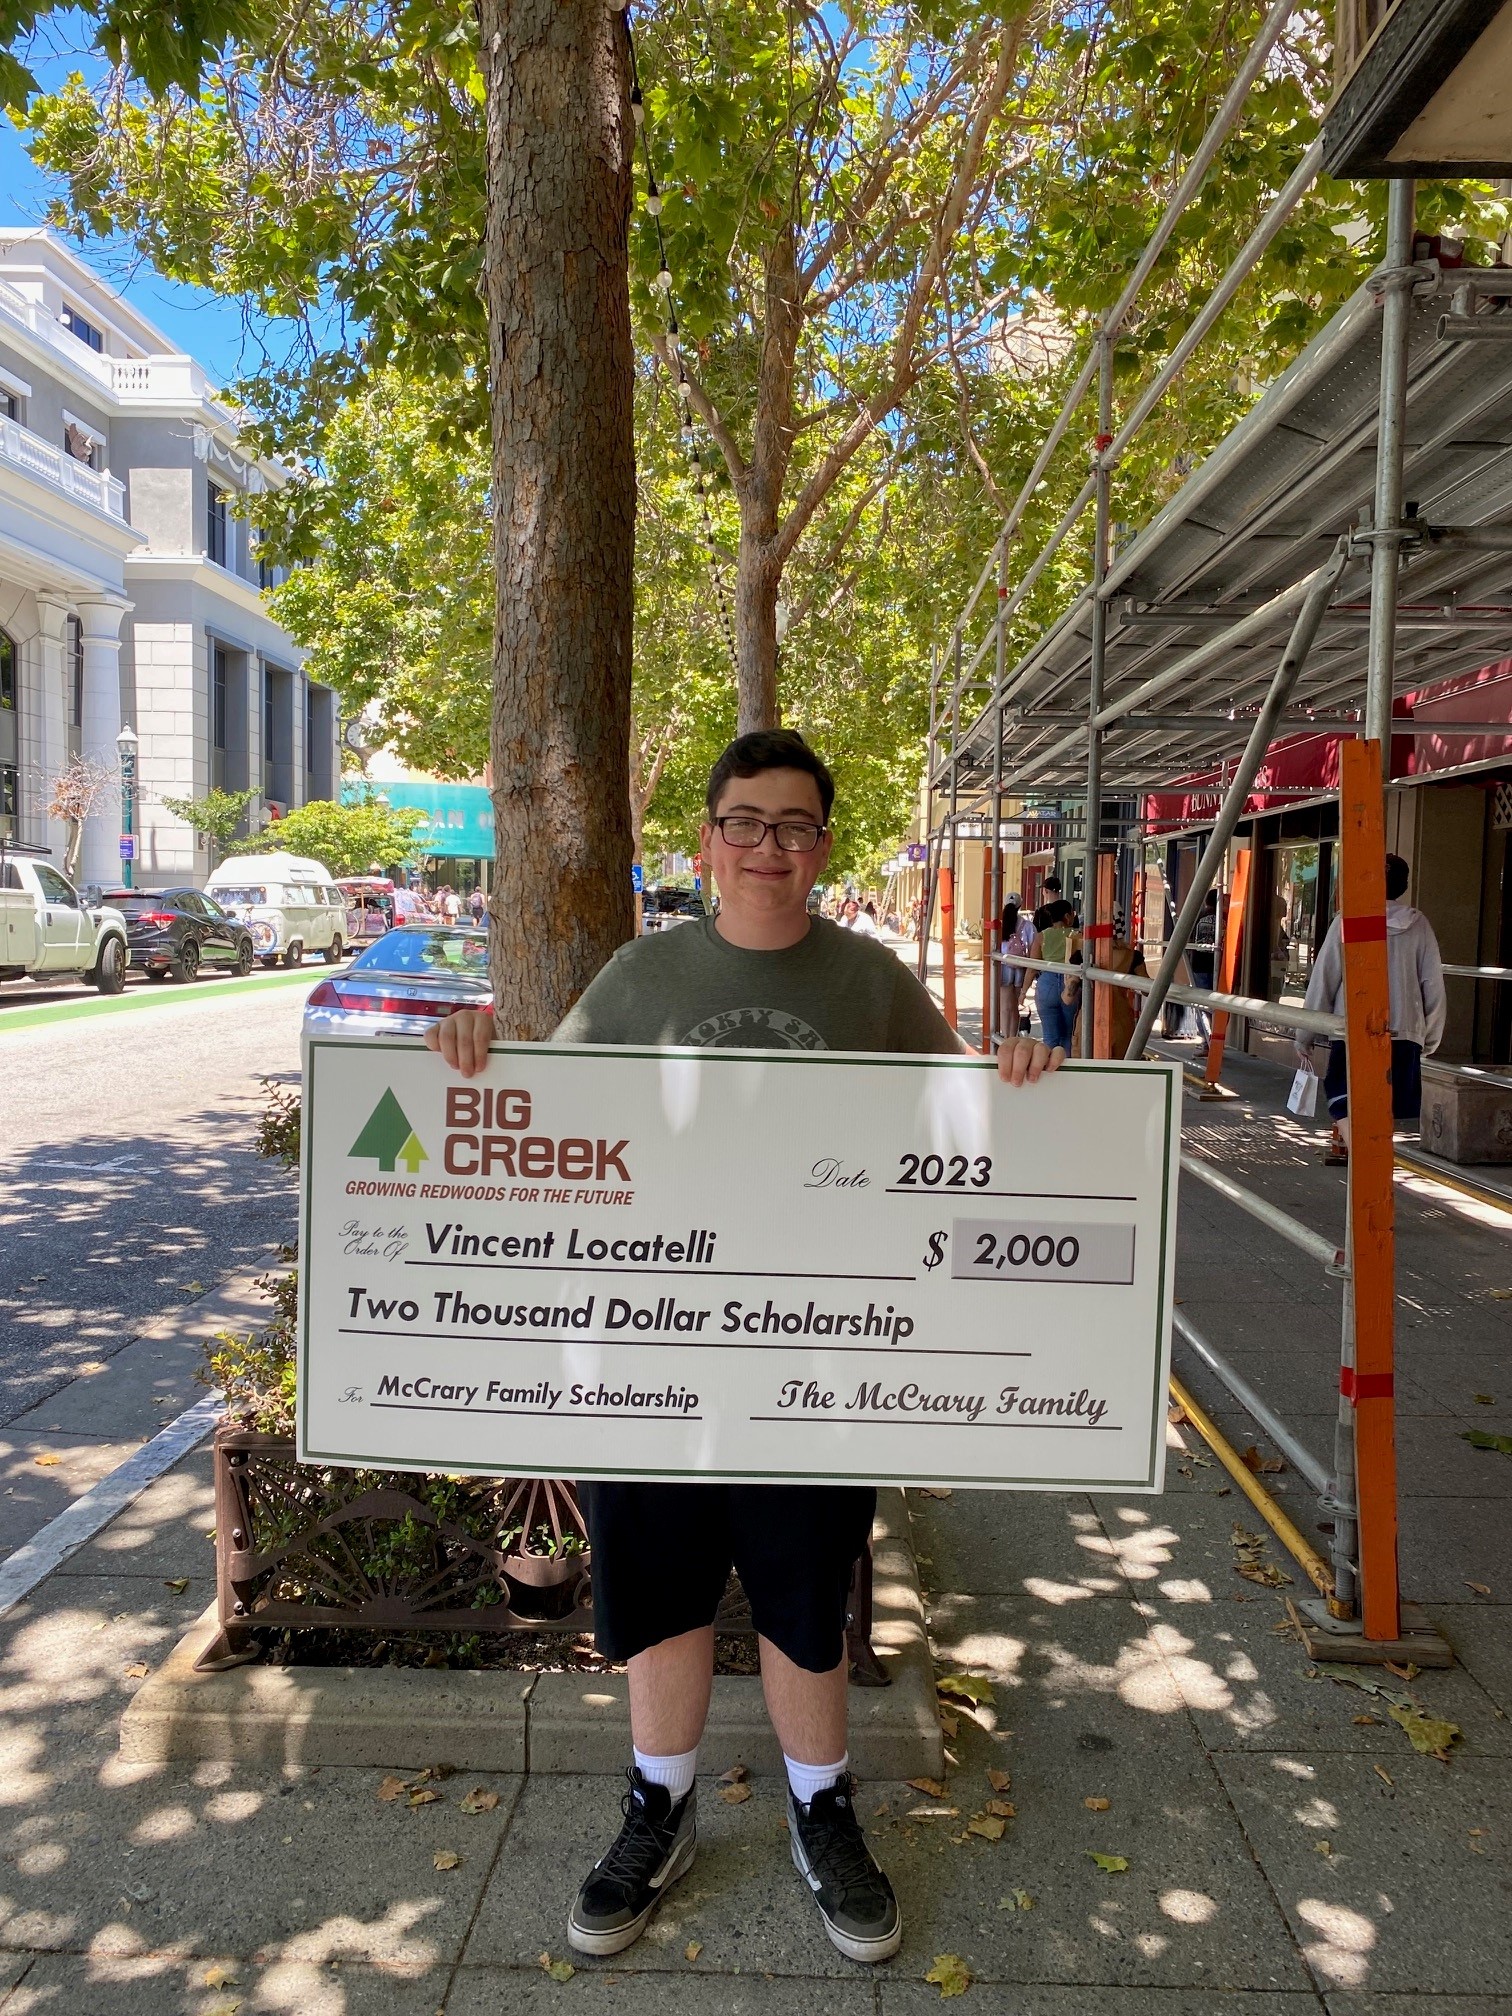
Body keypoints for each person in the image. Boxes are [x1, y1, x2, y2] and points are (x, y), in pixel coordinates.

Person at [426, 729, 1064, 1966]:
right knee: (656, 1593)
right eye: (747, 822)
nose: (771, 846)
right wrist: (469, 1062)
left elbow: (972, 1130)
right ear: (711, 837)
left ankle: (822, 1812)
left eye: (797, 825)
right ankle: (656, 1807)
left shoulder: (873, 985)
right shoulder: (637, 978)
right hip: (654, 1370)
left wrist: (1030, 1076)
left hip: (814, 1375)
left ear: (826, 843)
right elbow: (543, 1132)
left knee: (802, 1598)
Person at [1297, 852, 1445, 1165]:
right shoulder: (1419, 925)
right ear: (1401, 886)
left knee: (1342, 1098)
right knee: (1387, 1105)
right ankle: (1374, 1159)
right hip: (1405, 1031)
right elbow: (1433, 984)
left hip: (1352, 1029)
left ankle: (1366, 1161)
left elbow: (1324, 980)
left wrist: (1305, 1033)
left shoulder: (1348, 920)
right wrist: (1428, 1037)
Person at [1029, 899, 1080, 1055]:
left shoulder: (1041, 936)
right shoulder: (1077, 935)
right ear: (1067, 916)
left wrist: (1024, 991)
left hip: (1046, 984)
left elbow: (1032, 967)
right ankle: (1067, 1070)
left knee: (1050, 1037)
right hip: (1070, 983)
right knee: (1067, 1035)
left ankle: (1049, 1070)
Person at [999, 894, 1034, 1040]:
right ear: (1020, 906)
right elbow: (1032, 945)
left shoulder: (1000, 925)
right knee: (1015, 1006)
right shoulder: (1027, 925)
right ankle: (1012, 1038)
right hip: (1020, 967)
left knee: (1005, 1006)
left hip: (1004, 966)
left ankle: (1004, 1037)